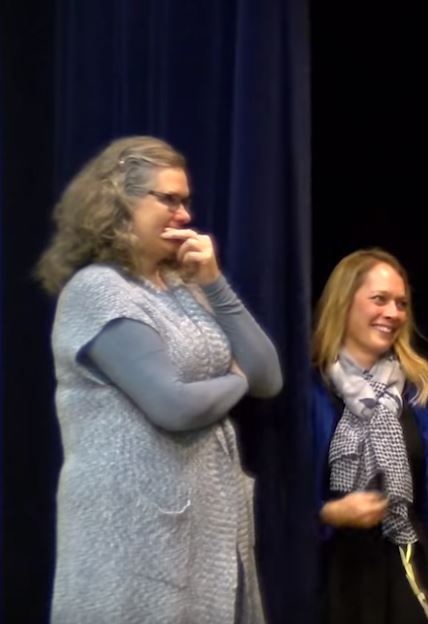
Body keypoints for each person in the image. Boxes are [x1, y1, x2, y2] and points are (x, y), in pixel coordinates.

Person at [36, 135, 283, 622]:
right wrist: (236, 379)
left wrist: (214, 283)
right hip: (129, 537)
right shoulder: (97, 290)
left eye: (185, 201)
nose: (184, 215)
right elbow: (173, 406)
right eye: (169, 199)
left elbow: (268, 376)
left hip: (200, 532)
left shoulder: (183, 286)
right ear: (118, 203)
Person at [310, 248, 428, 624]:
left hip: (409, 567)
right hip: (329, 574)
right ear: (344, 303)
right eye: (380, 299)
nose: (393, 313)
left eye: (401, 304)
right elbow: (281, 497)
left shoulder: (425, 387)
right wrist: (330, 512)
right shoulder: (311, 388)